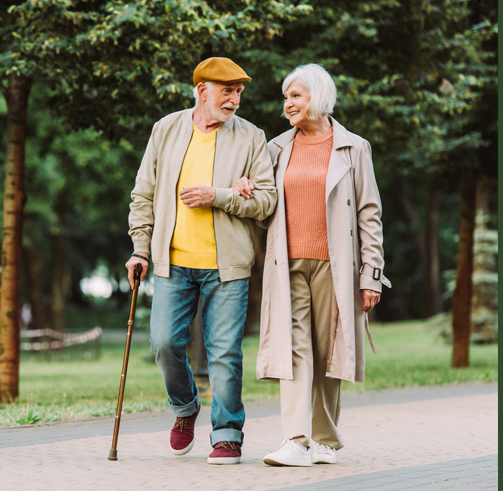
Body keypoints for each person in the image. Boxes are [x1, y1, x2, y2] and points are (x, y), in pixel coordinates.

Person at [233, 63, 391, 467]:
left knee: (329, 351)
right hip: (287, 262)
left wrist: (370, 275)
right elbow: (264, 205)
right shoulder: (276, 149)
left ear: (317, 97)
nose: (287, 104)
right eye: (286, 97)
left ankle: (325, 441)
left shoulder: (354, 148)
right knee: (294, 348)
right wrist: (246, 189)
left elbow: (369, 215)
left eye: (296, 96)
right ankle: (295, 439)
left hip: (336, 266)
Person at [126, 57, 277, 465]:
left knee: (225, 351)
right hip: (173, 265)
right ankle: (185, 407)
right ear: (201, 90)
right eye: (227, 90)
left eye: (239, 92)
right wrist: (141, 247)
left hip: (227, 267)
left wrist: (222, 196)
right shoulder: (167, 129)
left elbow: (267, 203)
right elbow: (143, 195)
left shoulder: (250, 137)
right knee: (163, 343)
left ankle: (227, 433)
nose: (235, 100)